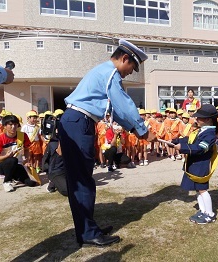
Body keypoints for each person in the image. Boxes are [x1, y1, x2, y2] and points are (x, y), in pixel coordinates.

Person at [58, 39, 153, 247]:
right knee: (81, 180)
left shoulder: (103, 72)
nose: (130, 73)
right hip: (78, 122)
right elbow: (124, 105)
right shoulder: (111, 73)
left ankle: (87, 229)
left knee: (82, 178)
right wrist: (143, 130)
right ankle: (87, 233)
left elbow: (114, 111)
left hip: (77, 122)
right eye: (132, 68)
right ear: (125, 58)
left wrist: (135, 130)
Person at [173, 104, 218, 224]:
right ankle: (203, 211)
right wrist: (176, 141)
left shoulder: (210, 134)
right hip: (194, 164)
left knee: (203, 190)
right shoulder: (202, 130)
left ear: (208, 120)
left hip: (201, 166)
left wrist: (182, 147)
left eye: (199, 118)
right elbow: (190, 139)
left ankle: (210, 214)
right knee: (198, 190)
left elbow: (199, 148)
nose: (196, 119)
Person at [0, 115, 37, 192]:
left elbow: (26, 149)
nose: (13, 127)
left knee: (31, 183)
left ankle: (14, 177)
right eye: (10, 125)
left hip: (18, 164)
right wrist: (6, 156)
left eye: (15, 124)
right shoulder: (0, 139)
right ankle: (7, 182)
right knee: (12, 160)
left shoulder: (22, 135)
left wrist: (26, 160)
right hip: (2, 165)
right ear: (5, 126)